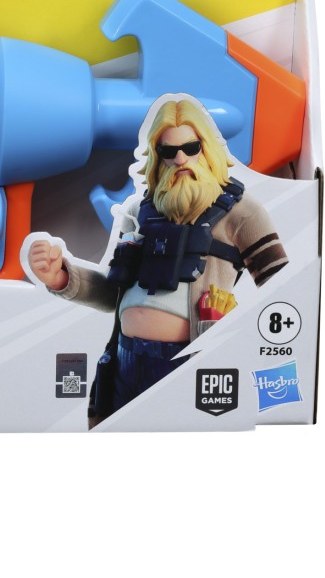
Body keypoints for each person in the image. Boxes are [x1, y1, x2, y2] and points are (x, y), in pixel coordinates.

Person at [27, 97, 287, 421]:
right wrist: (61, 276)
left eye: (190, 147)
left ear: (206, 148)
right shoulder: (138, 211)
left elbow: (285, 291)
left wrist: (239, 338)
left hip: (189, 362)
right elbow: (113, 294)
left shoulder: (242, 212)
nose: (180, 158)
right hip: (125, 360)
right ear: (156, 155)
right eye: (168, 150)